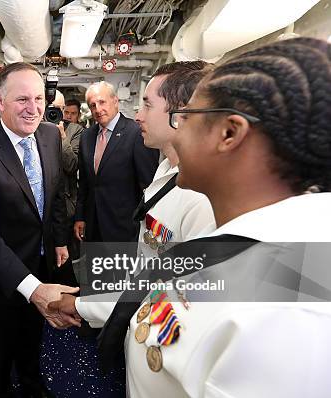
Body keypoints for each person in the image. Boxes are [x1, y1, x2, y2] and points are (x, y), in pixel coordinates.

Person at [125, 37, 331, 398]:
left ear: (229, 134)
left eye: (186, 117)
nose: (178, 129)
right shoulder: (239, 241)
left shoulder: (288, 310)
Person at [49, 61, 215, 332]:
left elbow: (176, 298)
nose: (138, 116)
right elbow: (87, 182)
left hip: (125, 232)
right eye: (92, 105)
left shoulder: (201, 198)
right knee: (101, 277)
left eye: (148, 105)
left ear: (181, 113)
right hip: (100, 228)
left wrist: (78, 306)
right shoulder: (166, 170)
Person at [0, 62, 79, 398]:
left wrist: (58, 239)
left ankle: (31, 384)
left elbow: (55, 193)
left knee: (32, 334)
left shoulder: (48, 135)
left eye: (39, 98)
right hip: (2, 273)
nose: (33, 108)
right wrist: (31, 288)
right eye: (22, 99)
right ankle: (0, 395)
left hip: (42, 260)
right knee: (0, 340)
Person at [74, 81, 158, 244]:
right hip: (93, 226)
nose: (97, 109)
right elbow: (84, 183)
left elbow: (148, 184)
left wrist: (145, 225)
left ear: (115, 101)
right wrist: (80, 217)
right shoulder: (87, 137)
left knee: (122, 270)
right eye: (92, 105)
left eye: (102, 102)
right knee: (94, 269)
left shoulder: (136, 134)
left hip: (125, 228)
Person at [50, 90, 84, 284]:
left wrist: (62, 136)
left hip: (65, 203)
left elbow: (71, 166)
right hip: (44, 206)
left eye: (60, 110)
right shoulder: (32, 126)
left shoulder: (74, 131)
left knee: (66, 258)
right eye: (52, 109)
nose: (57, 113)